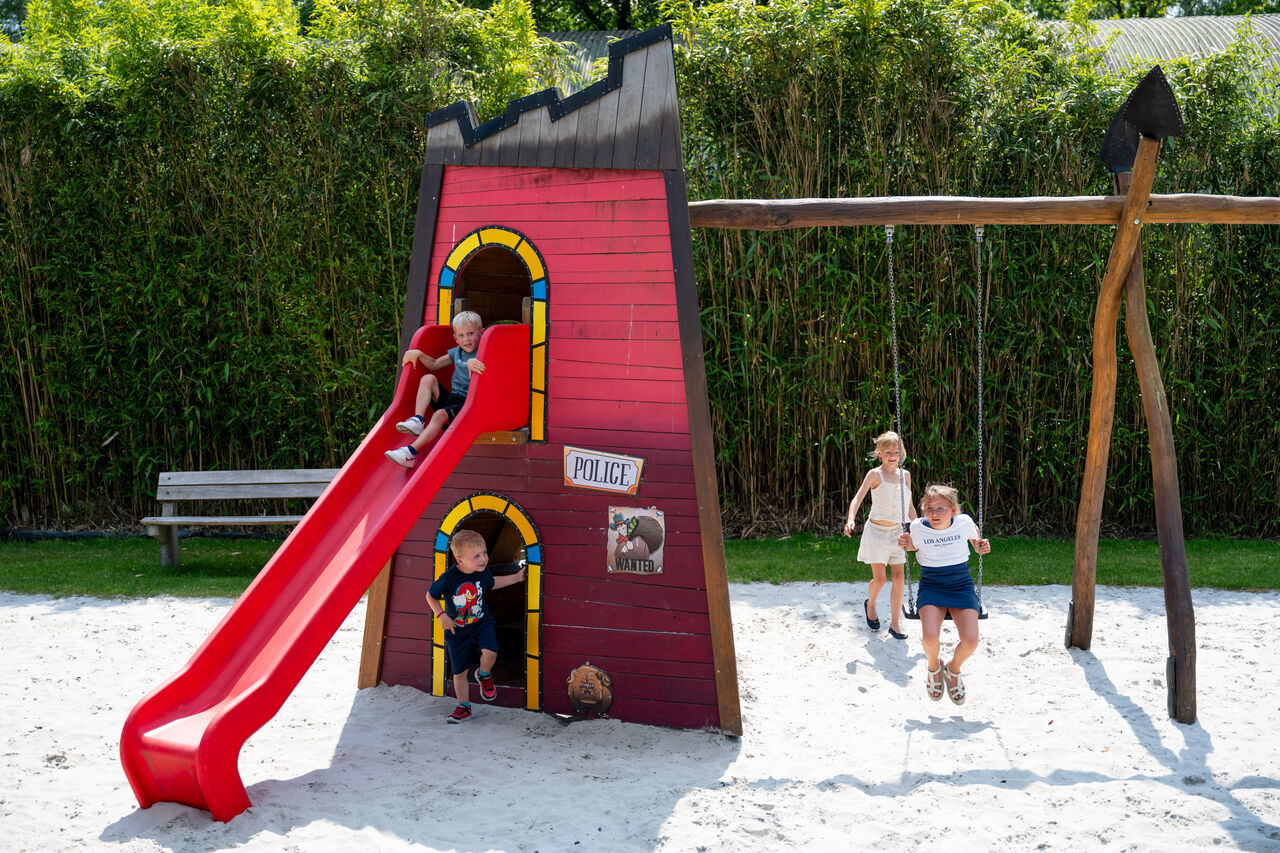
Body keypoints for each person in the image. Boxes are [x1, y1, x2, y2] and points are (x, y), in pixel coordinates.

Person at [897, 484, 991, 706]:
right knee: (930, 638)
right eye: (929, 508)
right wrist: (906, 544)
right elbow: (913, 546)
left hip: (961, 585)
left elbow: (976, 545)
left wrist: (982, 546)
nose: (934, 513)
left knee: (971, 641)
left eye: (940, 508)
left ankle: (953, 669)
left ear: (952, 510)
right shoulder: (918, 527)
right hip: (932, 585)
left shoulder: (965, 523)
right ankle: (934, 669)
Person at [427, 528, 526, 722]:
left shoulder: (482, 572)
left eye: (484, 553)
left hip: (481, 622)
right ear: (460, 560)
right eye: (476, 556)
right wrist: (441, 615)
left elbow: (491, 583)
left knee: (490, 653)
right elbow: (430, 595)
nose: (483, 559)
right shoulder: (449, 578)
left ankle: (484, 674)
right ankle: (463, 706)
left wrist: (516, 578)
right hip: (457, 628)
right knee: (460, 671)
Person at [385, 310, 487, 468]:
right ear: (455, 338)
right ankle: (418, 420)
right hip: (453, 398)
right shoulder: (457, 352)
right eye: (461, 335)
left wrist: (477, 363)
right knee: (428, 379)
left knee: (439, 414)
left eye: (470, 333)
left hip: (468, 406)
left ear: (482, 332)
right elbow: (434, 364)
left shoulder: (485, 352)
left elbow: (491, 378)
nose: (466, 339)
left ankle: (410, 453)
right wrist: (418, 354)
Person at [842, 431, 916, 640]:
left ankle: (895, 624)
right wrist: (851, 519)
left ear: (901, 453)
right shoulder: (875, 475)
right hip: (876, 533)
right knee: (880, 579)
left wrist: (919, 529)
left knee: (899, 577)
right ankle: (871, 603)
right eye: (887, 452)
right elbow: (857, 499)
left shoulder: (906, 475)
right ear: (879, 453)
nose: (893, 455)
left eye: (896, 452)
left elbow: (909, 505)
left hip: (897, 533)